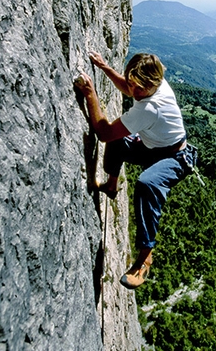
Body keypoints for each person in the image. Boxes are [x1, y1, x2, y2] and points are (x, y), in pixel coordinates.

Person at [74, 51, 196, 289]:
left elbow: (104, 133)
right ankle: (111, 185)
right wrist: (106, 68)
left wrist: (90, 94)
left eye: (139, 87)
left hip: (176, 157)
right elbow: (129, 90)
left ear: (153, 84)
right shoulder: (153, 84)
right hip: (156, 147)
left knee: (147, 183)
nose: (134, 91)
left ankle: (144, 257)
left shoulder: (150, 107)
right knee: (120, 141)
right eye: (131, 83)